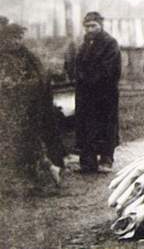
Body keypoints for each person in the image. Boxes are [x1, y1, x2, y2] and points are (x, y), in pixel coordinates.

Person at [0, 16, 65, 185]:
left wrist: (17, 86)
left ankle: (47, 169)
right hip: (10, 106)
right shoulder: (5, 56)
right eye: (12, 38)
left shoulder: (27, 56)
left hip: (26, 107)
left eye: (18, 38)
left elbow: (39, 79)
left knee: (27, 141)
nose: (16, 42)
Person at [75, 11, 121, 173]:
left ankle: (106, 159)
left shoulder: (110, 43)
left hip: (104, 92)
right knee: (87, 125)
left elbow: (109, 69)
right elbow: (77, 65)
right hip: (87, 93)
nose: (90, 29)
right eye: (87, 26)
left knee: (106, 125)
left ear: (100, 26)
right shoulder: (84, 44)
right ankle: (88, 161)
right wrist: (80, 76)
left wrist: (89, 79)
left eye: (93, 26)